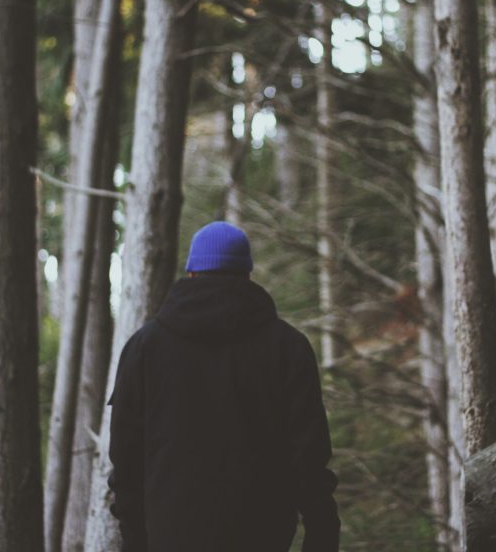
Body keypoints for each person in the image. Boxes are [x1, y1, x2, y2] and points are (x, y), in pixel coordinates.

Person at [108, 221, 341, 552]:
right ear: (247, 274)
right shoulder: (288, 347)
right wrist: (321, 539)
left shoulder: (144, 348)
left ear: (191, 273)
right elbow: (310, 460)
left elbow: (126, 462)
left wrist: (135, 542)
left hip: (168, 539)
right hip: (264, 538)